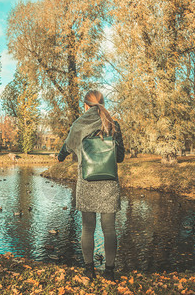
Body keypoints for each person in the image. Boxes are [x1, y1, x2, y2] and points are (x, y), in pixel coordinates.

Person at [58, 90, 125, 281]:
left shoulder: (79, 125)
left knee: (87, 228)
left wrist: (60, 157)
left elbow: (66, 146)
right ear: (102, 104)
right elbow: (119, 157)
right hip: (109, 184)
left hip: (86, 182)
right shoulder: (113, 125)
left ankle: (89, 270)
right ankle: (110, 272)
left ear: (85, 106)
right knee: (109, 229)